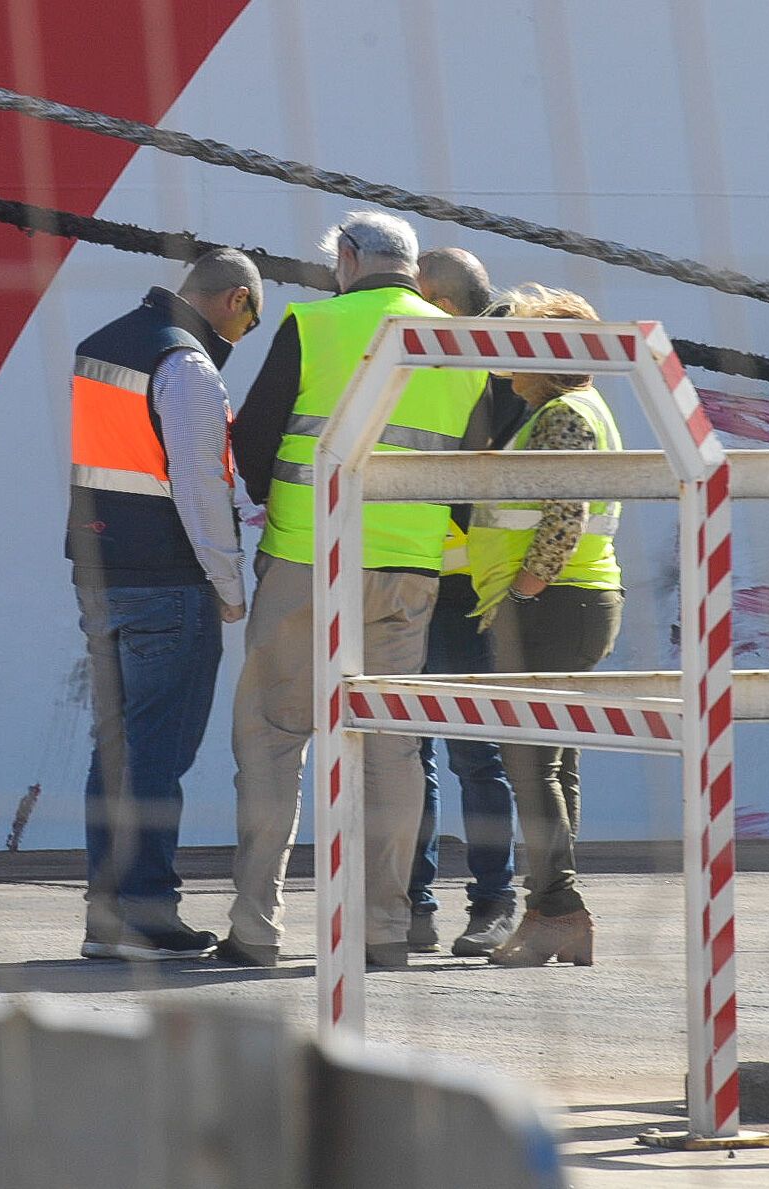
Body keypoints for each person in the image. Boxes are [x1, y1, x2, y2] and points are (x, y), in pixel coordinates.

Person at [220, 211, 485, 969]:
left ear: (346, 258)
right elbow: (473, 461)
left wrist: (270, 499)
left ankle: (256, 927)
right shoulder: (458, 340)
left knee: (273, 737)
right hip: (408, 568)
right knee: (393, 747)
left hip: (307, 558)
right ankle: (385, 928)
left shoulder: (314, 322)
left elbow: (256, 435)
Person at [68, 248, 263, 961]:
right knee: (156, 752)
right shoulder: (186, 365)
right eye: (250, 322)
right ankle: (146, 914)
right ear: (236, 301)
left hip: (101, 572)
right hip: (169, 581)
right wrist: (229, 584)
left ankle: (107, 912)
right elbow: (200, 484)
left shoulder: (101, 346)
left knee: (115, 746)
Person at [469, 285, 626, 968]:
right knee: (551, 761)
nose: (509, 359)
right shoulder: (568, 408)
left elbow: (565, 510)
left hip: (552, 602)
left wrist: (525, 591)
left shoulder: (562, 413)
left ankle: (559, 908)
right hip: (574, 601)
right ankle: (549, 908)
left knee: (531, 764)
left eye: (519, 345)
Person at [405, 248, 524, 957]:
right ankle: (416, 906)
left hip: (465, 590)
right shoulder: (468, 361)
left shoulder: (502, 367)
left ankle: (492, 903)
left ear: (439, 299)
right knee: (412, 752)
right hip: (421, 577)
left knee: (473, 756)